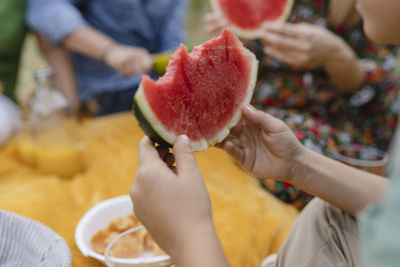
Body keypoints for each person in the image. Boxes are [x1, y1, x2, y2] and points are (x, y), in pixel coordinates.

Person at [130, 0, 400, 265]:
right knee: (329, 210)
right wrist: (297, 165)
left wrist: (190, 234)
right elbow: (393, 210)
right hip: (284, 122)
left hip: (345, 122)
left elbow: (380, 105)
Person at [204, 0, 400, 209]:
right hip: (262, 115)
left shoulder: (376, 9)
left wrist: (337, 56)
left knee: (280, 139)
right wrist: (236, 44)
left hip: (341, 132)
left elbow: (385, 100)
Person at [26, 0, 187, 116]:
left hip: (155, 93)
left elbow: (172, 45)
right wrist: (110, 51)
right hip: (100, 98)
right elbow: (47, 9)